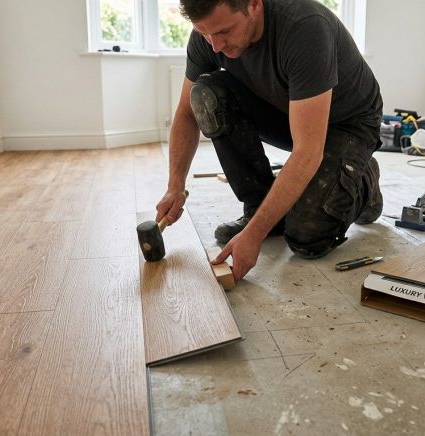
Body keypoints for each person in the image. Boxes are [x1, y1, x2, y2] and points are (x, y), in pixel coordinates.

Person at [156, 0, 383, 283]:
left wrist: (253, 235)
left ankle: (364, 180)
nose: (215, 45)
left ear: (254, 4)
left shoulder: (305, 27)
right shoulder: (210, 34)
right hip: (288, 111)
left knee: (307, 237)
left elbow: (307, 151)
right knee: (206, 94)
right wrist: (175, 186)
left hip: (348, 124)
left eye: (225, 31)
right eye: (205, 34)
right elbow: (186, 114)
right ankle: (258, 205)